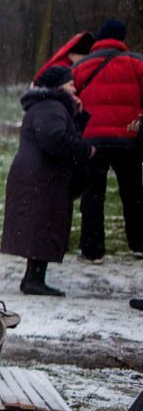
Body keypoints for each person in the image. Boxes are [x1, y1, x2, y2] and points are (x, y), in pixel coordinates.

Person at [0, 66, 96, 296]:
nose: (74, 88)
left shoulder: (51, 106)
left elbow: (65, 133)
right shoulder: (51, 106)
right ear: (57, 86)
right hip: (41, 177)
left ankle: (33, 278)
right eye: (70, 83)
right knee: (41, 226)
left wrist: (78, 114)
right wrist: (86, 151)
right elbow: (53, 138)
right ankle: (33, 280)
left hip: (41, 176)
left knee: (42, 226)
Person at [72, 19, 143, 262]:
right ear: (121, 38)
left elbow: (73, 100)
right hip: (128, 138)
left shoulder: (82, 66)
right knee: (133, 194)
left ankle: (92, 250)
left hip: (92, 139)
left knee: (92, 195)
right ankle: (139, 243)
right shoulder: (136, 63)